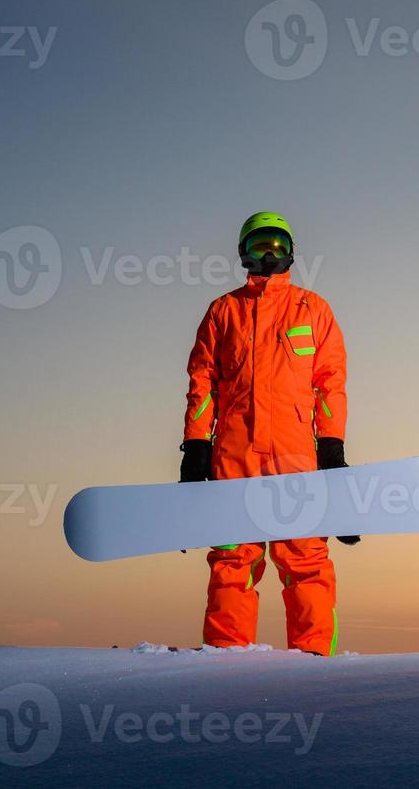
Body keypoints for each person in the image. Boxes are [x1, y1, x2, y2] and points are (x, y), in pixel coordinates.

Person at [179, 212, 358, 655]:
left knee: (306, 560)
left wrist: (332, 446)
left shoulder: (312, 309)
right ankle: (226, 659)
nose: (269, 255)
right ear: (244, 254)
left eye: (278, 245)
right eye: (260, 246)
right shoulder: (224, 311)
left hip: (296, 457)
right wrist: (197, 445)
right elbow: (202, 382)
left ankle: (316, 657)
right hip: (233, 455)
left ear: (292, 252)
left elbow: (330, 382)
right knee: (231, 561)